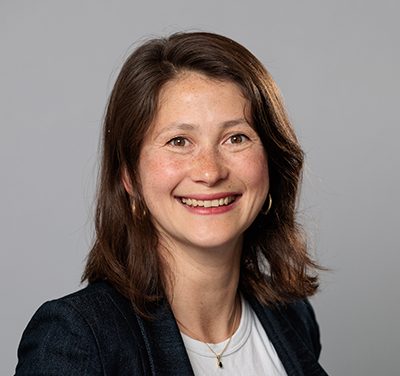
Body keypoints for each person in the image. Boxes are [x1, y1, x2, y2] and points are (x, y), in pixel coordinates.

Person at [15, 32, 328, 375]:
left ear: (271, 161)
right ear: (129, 178)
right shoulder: (78, 338)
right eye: (179, 141)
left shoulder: (293, 317)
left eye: (236, 138)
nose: (210, 172)